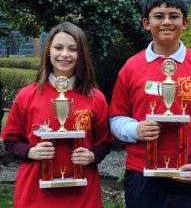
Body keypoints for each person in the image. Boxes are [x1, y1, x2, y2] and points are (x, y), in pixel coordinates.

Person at [109, 0, 191, 208]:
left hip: (189, 172)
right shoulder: (131, 67)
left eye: (174, 16)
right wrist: (135, 130)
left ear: (185, 22)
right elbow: (116, 118)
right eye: (159, 16)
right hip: (141, 173)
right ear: (146, 23)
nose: (166, 22)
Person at [1, 21, 114, 207]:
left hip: (82, 193)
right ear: (48, 51)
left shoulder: (96, 98)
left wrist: (92, 156)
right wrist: (30, 151)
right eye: (58, 47)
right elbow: (11, 141)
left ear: (82, 54)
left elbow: (105, 142)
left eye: (72, 49)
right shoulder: (27, 95)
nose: (64, 54)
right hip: (35, 193)